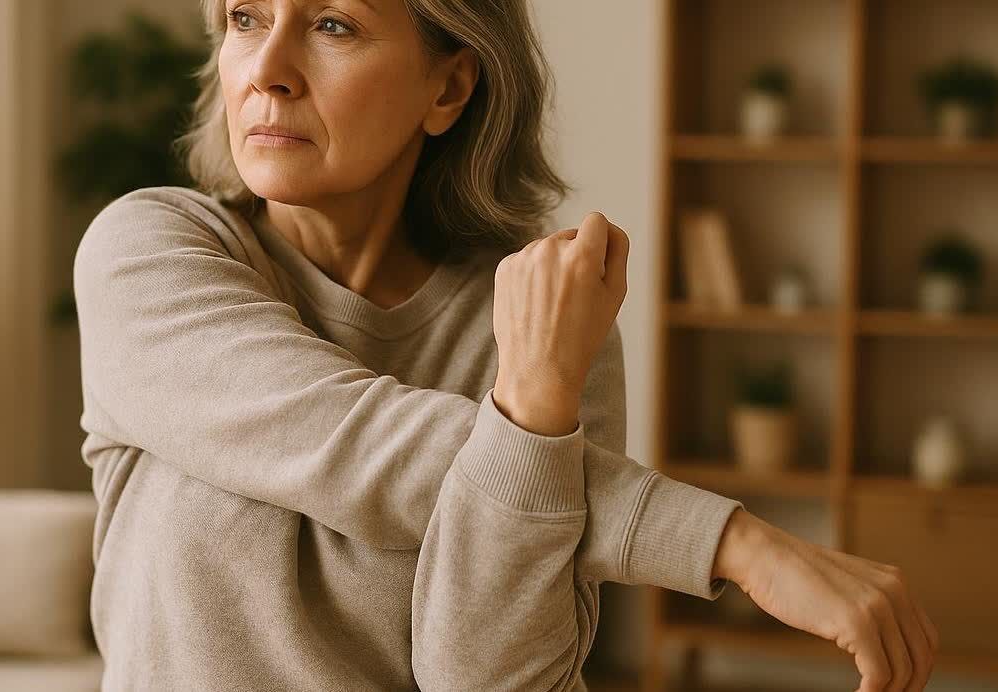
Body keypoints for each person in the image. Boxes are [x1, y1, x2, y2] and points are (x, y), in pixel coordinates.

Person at [73, 1, 939, 690]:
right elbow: (352, 441)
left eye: (333, 24)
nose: (267, 70)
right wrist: (735, 543)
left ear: (447, 90)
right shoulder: (148, 253)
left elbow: (490, 682)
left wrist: (532, 403)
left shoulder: (540, 327)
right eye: (245, 18)